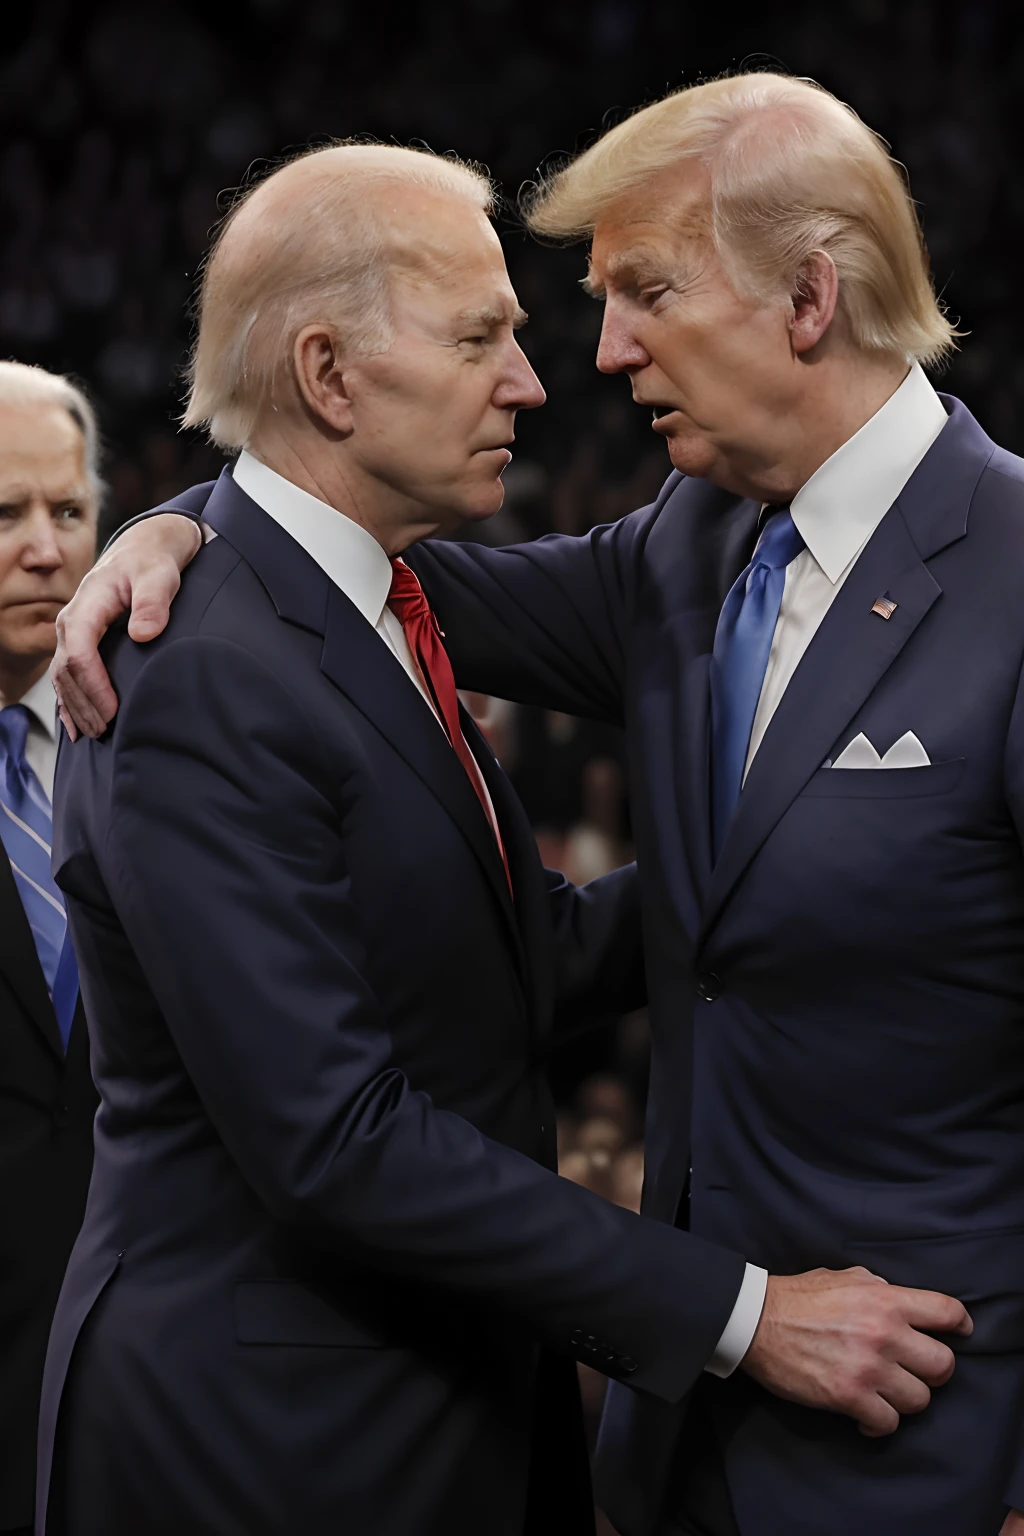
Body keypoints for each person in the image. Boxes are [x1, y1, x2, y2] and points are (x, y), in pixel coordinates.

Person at [49, 125, 979, 1536]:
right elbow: (334, 1137)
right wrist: (737, 1315)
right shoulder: (200, 668)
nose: (552, 377)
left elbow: (519, 954)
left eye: (642, 297)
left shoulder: (373, 614)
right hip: (268, 1451)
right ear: (328, 375)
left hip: (460, 1413)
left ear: (808, 299)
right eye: (487, 333)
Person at [0, 363, 99, 1536]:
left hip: (139, 1390)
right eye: (5, 514)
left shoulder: (162, 736)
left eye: (68, 512)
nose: (44, 549)